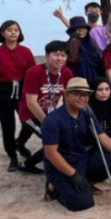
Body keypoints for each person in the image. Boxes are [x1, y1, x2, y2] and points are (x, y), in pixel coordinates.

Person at [42, 78, 111, 212]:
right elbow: (51, 153)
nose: (83, 98)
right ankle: (57, 191)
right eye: (77, 94)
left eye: (86, 94)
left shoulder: (87, 115)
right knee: (83, 203)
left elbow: (103, 138)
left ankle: (88, 183)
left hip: (82, 159)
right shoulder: (52, 120)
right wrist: (73, 174)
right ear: (67, 95)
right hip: (60, 166)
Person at [0, 20, 37, 172]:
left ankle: (20, 143)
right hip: (4, 90)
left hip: (23, 88)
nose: (13, 32)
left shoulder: (26, 51)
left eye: (16, 30)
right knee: (8, 125)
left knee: (30, 120)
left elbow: (32, 73)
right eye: (9, 30)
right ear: (3, 33)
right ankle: (12, 157)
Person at [17, 40, 74, 174]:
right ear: (47, 56)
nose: (60, 58)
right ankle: (27, 164)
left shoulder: (67, 73)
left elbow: (67, 98)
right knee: (55, 140)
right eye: (56, 55)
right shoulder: (34, 72)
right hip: (29, 113)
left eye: (63, 55)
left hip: (50, 112)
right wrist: (47, 122)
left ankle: (19, 143)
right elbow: (31, 102)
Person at [66, 16, 102, 81]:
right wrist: (74, 41)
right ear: (73, 31)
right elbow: (72, 59)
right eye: (78, 29)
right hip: (77, 82)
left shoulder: (92, 46)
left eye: (84, 28)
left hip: (95, 81)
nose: (81, 31)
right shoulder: (67, 46)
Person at [88, 77, 111, 142]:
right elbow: (91, 132)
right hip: (92, 143)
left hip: (109, 139)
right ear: (94, 90)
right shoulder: (88, 108)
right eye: (100, 90)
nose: (104, 93)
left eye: (107, 89)